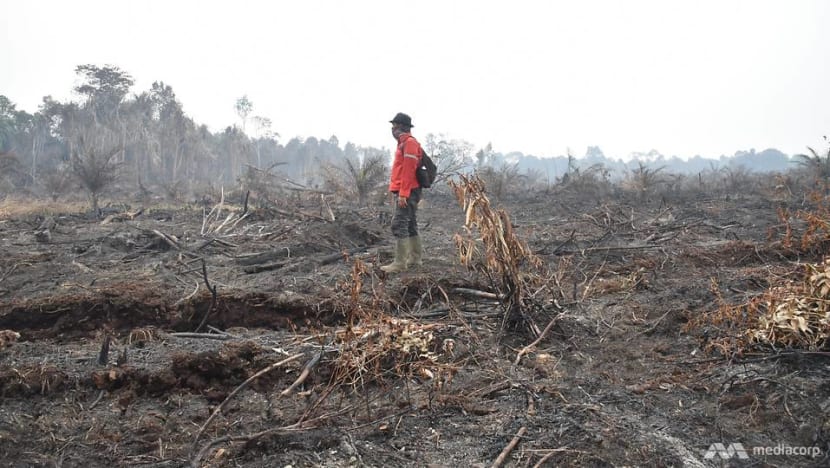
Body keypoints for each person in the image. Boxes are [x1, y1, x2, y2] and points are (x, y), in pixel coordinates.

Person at [381, 112, 423, 273]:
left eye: (394, 126)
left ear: (402, 127)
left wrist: (403, 193)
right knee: (410, 223)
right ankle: (415, 259)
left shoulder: (409, 143)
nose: (392, 129)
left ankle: (400, 263)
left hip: (409, 190)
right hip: (408, 189)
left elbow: (408, 170)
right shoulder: (403, 143)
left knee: (399, 224)